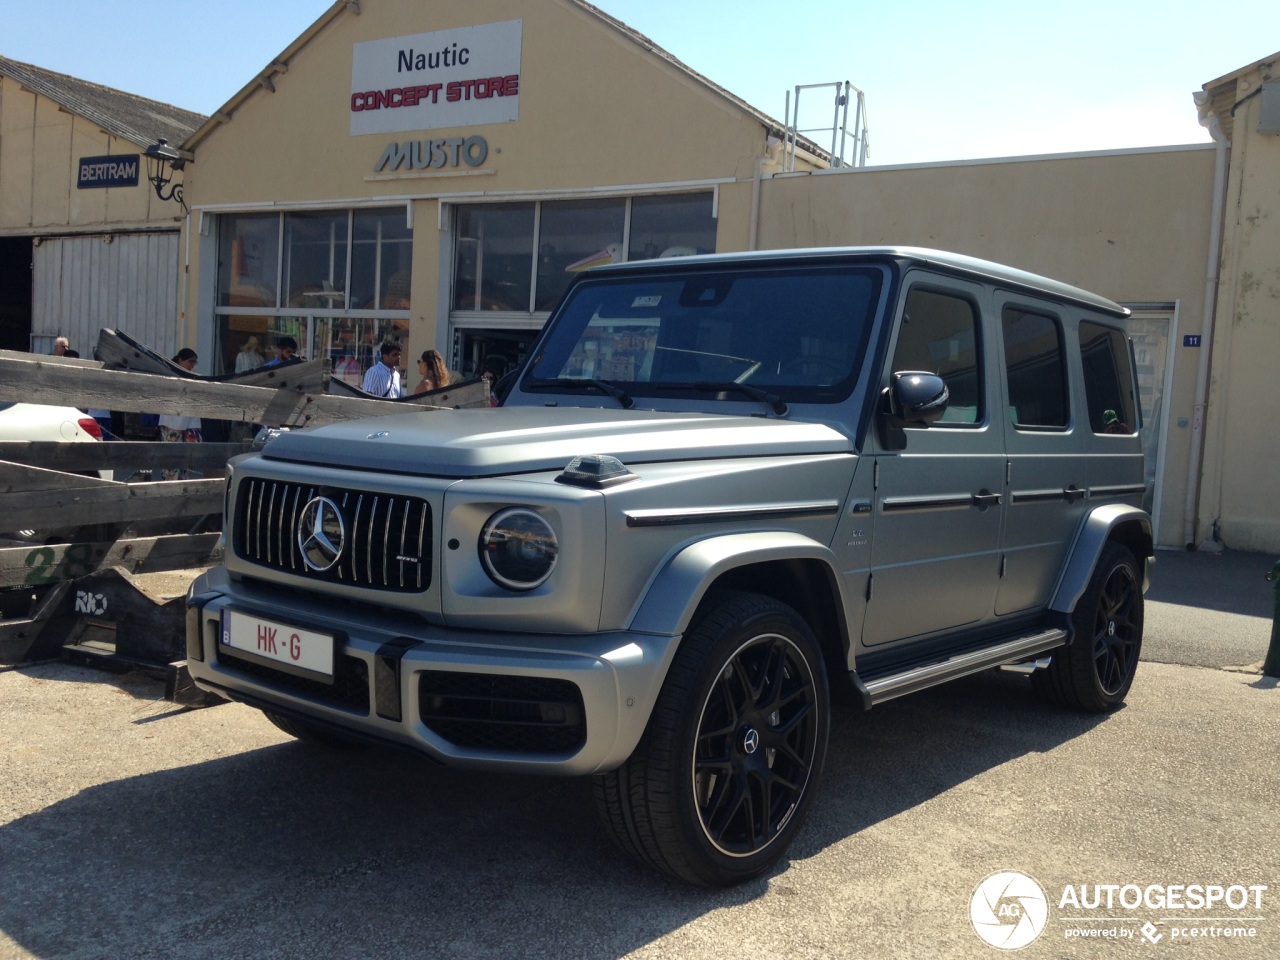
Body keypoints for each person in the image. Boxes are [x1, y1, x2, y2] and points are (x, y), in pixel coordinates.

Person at [159, 348, 202, 479]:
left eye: (194, 362)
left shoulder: (193, 376)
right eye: (190, 362)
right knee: (171, 459)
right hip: (172, 422)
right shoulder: (169, 374)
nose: (192, 365)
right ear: (180, 360)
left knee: (188, 459)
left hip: (190, 422)